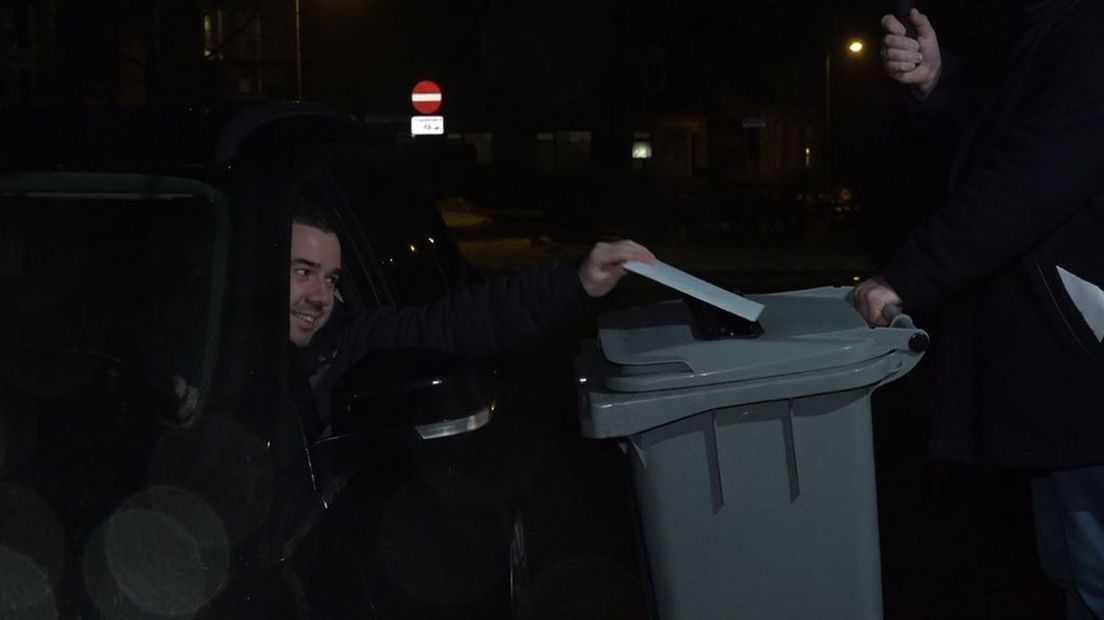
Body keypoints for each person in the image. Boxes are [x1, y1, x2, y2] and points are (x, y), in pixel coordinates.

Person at [854, 3, 1104, 618]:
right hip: (1061, 371)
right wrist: (938, 85)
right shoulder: (1043, 32)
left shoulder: (1092, 32)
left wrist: (907, 276)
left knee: (1096, 574)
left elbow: (1030, 181)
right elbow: (992, 151)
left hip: (1089, 364)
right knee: (1074, 569)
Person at [286, 202, 654, 433]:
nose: (321, 297)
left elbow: (458, 323)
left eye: (331, 278)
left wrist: (577, 281)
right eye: (303, 272)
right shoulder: (230, 356)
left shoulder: (348, 342)